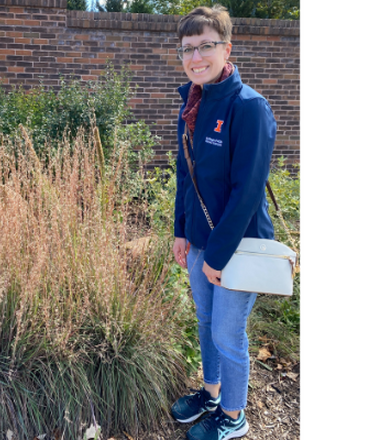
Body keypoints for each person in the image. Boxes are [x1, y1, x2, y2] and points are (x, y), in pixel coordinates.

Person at [170, 5, 277, 440]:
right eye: (187, 49)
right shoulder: (194, 102)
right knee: (205, 322)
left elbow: (247, 193)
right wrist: (181, 231)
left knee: (228, 334)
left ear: (226, 48)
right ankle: (211, 394)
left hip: (237, 247)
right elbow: (185, 174)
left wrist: (216, 255)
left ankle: (234, 416)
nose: (195, 57)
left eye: (205, 46)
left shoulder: (249, 107)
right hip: (199, 242)